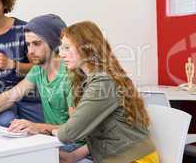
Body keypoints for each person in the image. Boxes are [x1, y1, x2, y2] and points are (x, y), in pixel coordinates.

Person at [0, 14, 88, 163]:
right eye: (28, 44)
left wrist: (36, 127)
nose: (30, 51)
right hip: (55, 144)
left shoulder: (71, 75)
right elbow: (9, 97)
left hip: (77, 150)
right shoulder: (39, 69)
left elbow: (74, 131)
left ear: (54, 43)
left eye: (37, 44)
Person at [55, 21, 159, 163]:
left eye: (67, 48)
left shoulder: (103, 83)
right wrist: (73, 156)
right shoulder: (94, 79)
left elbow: (68, 133)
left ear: (87, 48)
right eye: (61, 48)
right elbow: (103, 132)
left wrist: (47, 131)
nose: (61, 54)